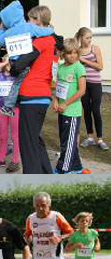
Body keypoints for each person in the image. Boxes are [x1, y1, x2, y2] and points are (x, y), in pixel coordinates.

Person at [10, 5, 56, 173]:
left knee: (28, 145)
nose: (28, 23)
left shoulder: (40, 41)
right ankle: (46, 173)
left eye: (31, 19)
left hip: (32, 95)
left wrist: (12, 66)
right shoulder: (51, 40)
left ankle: (33, 179)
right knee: (35, 140)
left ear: (38, 21)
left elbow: (19, 65)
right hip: (41, 96)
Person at [0, 0, 55, 117]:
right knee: (18, 83)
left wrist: (1, 29)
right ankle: (8, 106)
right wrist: (51, 28)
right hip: (24, 62)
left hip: (13, 62)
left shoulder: (9, 32)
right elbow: (44, 31)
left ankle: (12, 102)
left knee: (16, 82)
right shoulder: (30, 27)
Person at [52, 38, 86, 174]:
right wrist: (56, 100)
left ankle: (63, 168)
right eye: (69, 53)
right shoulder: (60, 68)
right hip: (62, 111)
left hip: (72, 112)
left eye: (75, 53)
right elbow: (58, 87)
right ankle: (77, 166)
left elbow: (82, 91)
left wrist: (66, 103)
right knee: (66, 140)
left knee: (68, 143)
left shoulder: (79, 67)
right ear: (63, 54)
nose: (73, 56)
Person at [76, 27, 107, 150]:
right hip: (83, 84)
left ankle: (100, 139)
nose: (89, 40)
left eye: (90, 38)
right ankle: (90, 137)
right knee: (87, 110)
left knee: (96, 110)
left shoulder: (95, 48)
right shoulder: (77, 50)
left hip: (95, 83)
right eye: (87, 38)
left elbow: (100, 66)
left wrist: (83, 60)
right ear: (81, 38)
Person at [0, 55, 21, 172]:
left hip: (14, 108)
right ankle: (1, 158)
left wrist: (12, 64)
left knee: (14, 136)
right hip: (2, 108)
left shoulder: (17, 76)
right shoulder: (0, 75)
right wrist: (5, 62)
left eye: (11, 62)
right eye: (7, 62)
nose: (9, 64)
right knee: (3, 136)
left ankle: (15, 161)